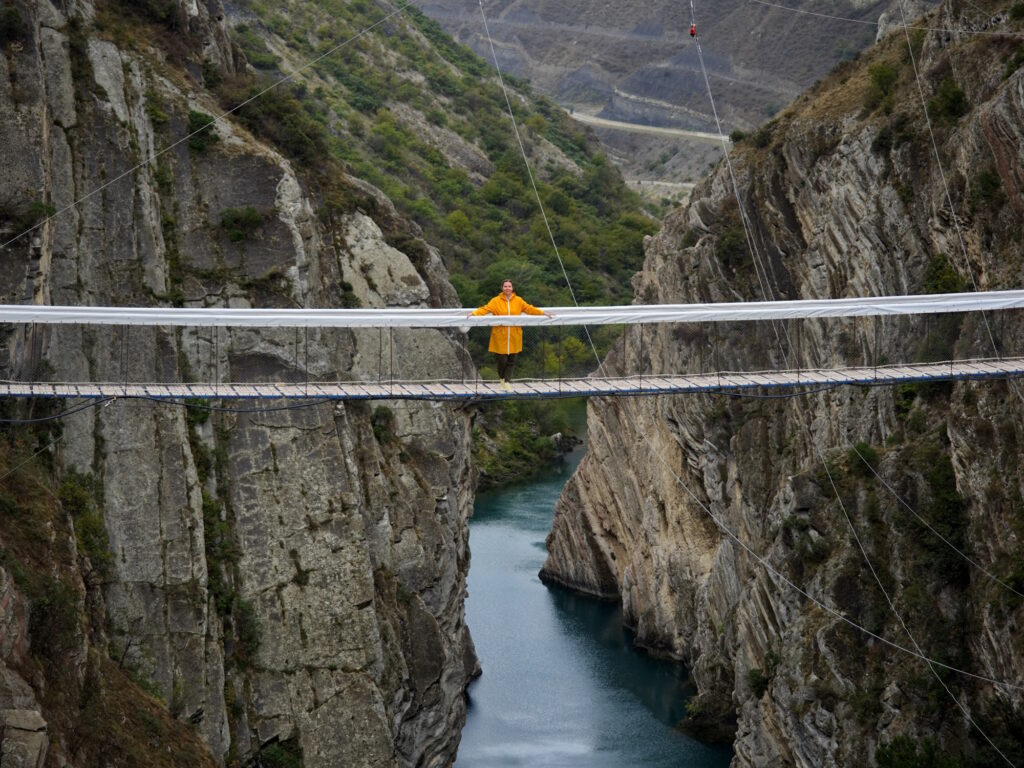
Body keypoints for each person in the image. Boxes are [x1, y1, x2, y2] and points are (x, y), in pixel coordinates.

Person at [468, 280, 552, 387]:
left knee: (512, 360)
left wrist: (543, 313)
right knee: (502, 360)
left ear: (512, 288)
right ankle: (502, 379)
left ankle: (507, 382)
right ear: (502, 288)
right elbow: (486, 309)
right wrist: (473, 313)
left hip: (514, 334)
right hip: (500, 334)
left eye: (509, 286)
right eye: (505, 286)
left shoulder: (518, 300)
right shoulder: (495, 301)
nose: (507, 288)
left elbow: (529, 309)